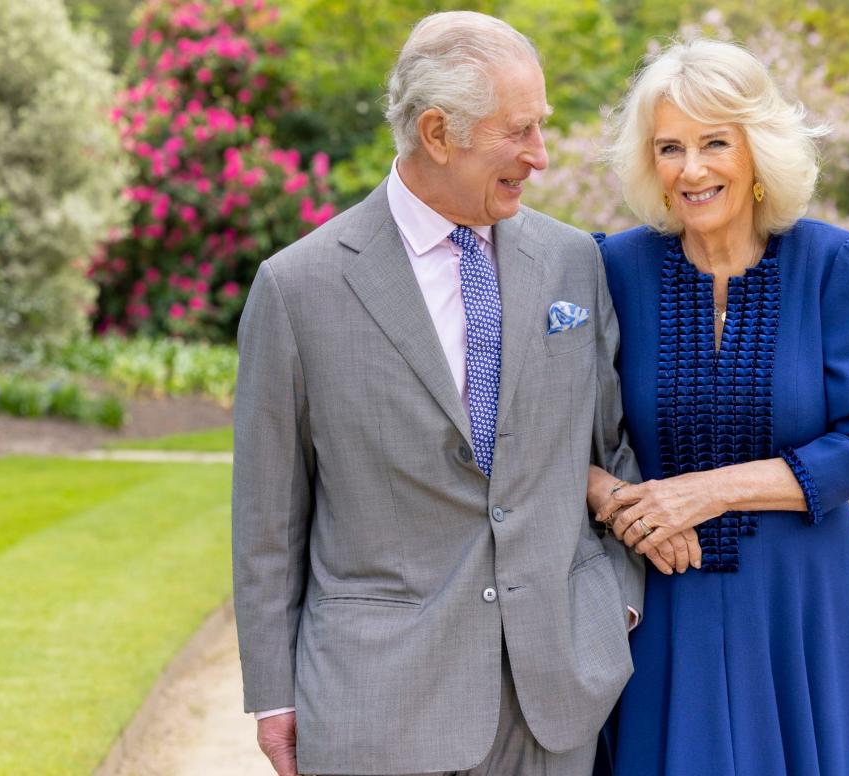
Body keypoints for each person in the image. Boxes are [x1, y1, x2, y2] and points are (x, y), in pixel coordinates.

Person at [231, 12, 685, 776]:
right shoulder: (297, 288)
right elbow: (268, 517)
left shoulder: (573, 263)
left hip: (555, 698)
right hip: (377, 705)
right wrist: (273, 694)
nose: (539, 157)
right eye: (520, 132)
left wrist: (614, 606)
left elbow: (611, 447)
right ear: (438, 133)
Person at [591, 39, 849, 775]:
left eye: (713, 143)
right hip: (664, 602)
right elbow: (556, 433)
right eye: (669, 147)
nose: (691, 169)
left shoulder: (835, 263)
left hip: (804, 605)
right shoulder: (611, 269)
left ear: (756, 151)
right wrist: (621, 504)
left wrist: (702, 492)